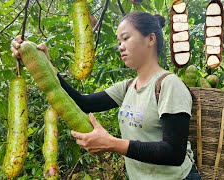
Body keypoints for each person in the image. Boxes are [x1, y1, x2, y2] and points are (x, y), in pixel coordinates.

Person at [11, 12, 201, 180]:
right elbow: (83, 103)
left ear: (150, 39)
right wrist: (43, 62)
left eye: (126, 38)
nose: (120, 47)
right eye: (119, 41)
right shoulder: (127, 88)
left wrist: (111, 143)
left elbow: (174, 154)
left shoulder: (169, 85)